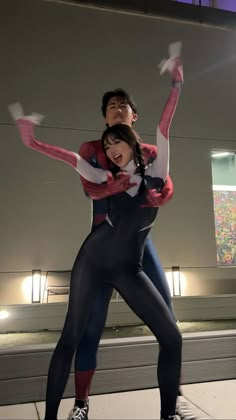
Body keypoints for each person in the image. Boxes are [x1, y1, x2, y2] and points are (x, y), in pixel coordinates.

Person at [10, 44, 183, 420]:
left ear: (134, 119)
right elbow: (79, 169)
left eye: (124, 106)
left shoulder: (153, 155)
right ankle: (80, 403)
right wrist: (32, 140)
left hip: (134, 253)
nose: (112, 146)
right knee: (82, 333)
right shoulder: (96, 157)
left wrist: (176, 81)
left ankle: (173, 402)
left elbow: (165, 131)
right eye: (111, 108)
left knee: (170, 328)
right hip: (100, 247)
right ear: (104, 121)